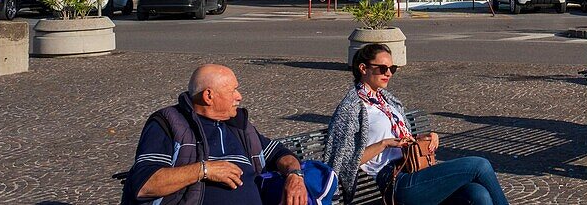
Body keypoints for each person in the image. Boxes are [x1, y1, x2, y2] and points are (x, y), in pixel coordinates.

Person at [326, 44, 509, 205]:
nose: (388, 73)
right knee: (480, 165)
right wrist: (384, 144)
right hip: (396, 183)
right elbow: (346, 163)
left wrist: (421, 138)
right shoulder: (351, 108)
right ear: (363, 68)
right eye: (382, 68)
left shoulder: (386, 101)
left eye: (392, 68)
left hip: (415, 170)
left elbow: (403, 140)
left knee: (478, 194)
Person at [122, 64, 308, 205]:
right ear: (208, 96)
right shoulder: (169, 123)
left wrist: (295, 175)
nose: (239, 96)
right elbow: (145, 185)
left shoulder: (239, 127)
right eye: (232, 90)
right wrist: (204, 170)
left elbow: (279, 153)